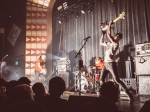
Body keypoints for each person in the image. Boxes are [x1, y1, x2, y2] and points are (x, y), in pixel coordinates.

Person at [99, 20, 134, 103]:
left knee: (117, 80)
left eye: (118, 37)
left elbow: (109, 34)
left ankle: (130, 96)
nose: (116, 37)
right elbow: (101, 42)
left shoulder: (115, 44)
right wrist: (102, 35)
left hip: (111, 64)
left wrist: (110, 25)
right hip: (106, 64)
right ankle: (103, 95)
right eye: (116, 36)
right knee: (101, 80)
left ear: (119, 39)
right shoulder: (110, 44)